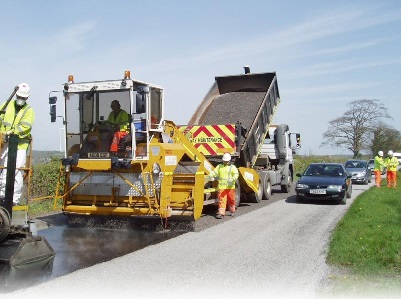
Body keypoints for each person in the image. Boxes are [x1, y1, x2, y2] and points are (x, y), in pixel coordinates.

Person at [0, 83, 35, 205]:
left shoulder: (29, 111)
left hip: (20, 145)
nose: (21, 100)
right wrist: (2, 133)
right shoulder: (7, 106)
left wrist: (12, 133)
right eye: (19, 97)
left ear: (27, 98)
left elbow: (25, 127)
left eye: (23, 98)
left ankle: (14, 200)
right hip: (5, 142)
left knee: (16, 171)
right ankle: (2, 195)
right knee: (4, 168)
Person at [208, 153, 239, 219]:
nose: (226, 162)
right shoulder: (219, 166)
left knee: (231, 200)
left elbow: (236, 174)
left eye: (227, 161)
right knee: (222, 200)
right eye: (225, 161)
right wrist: (210, 176)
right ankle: (221, 213)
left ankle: (232, 210)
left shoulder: (232, 167)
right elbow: (214, 172)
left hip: (230, 187)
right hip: (222, 187)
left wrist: (233, 179)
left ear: (229, 161)